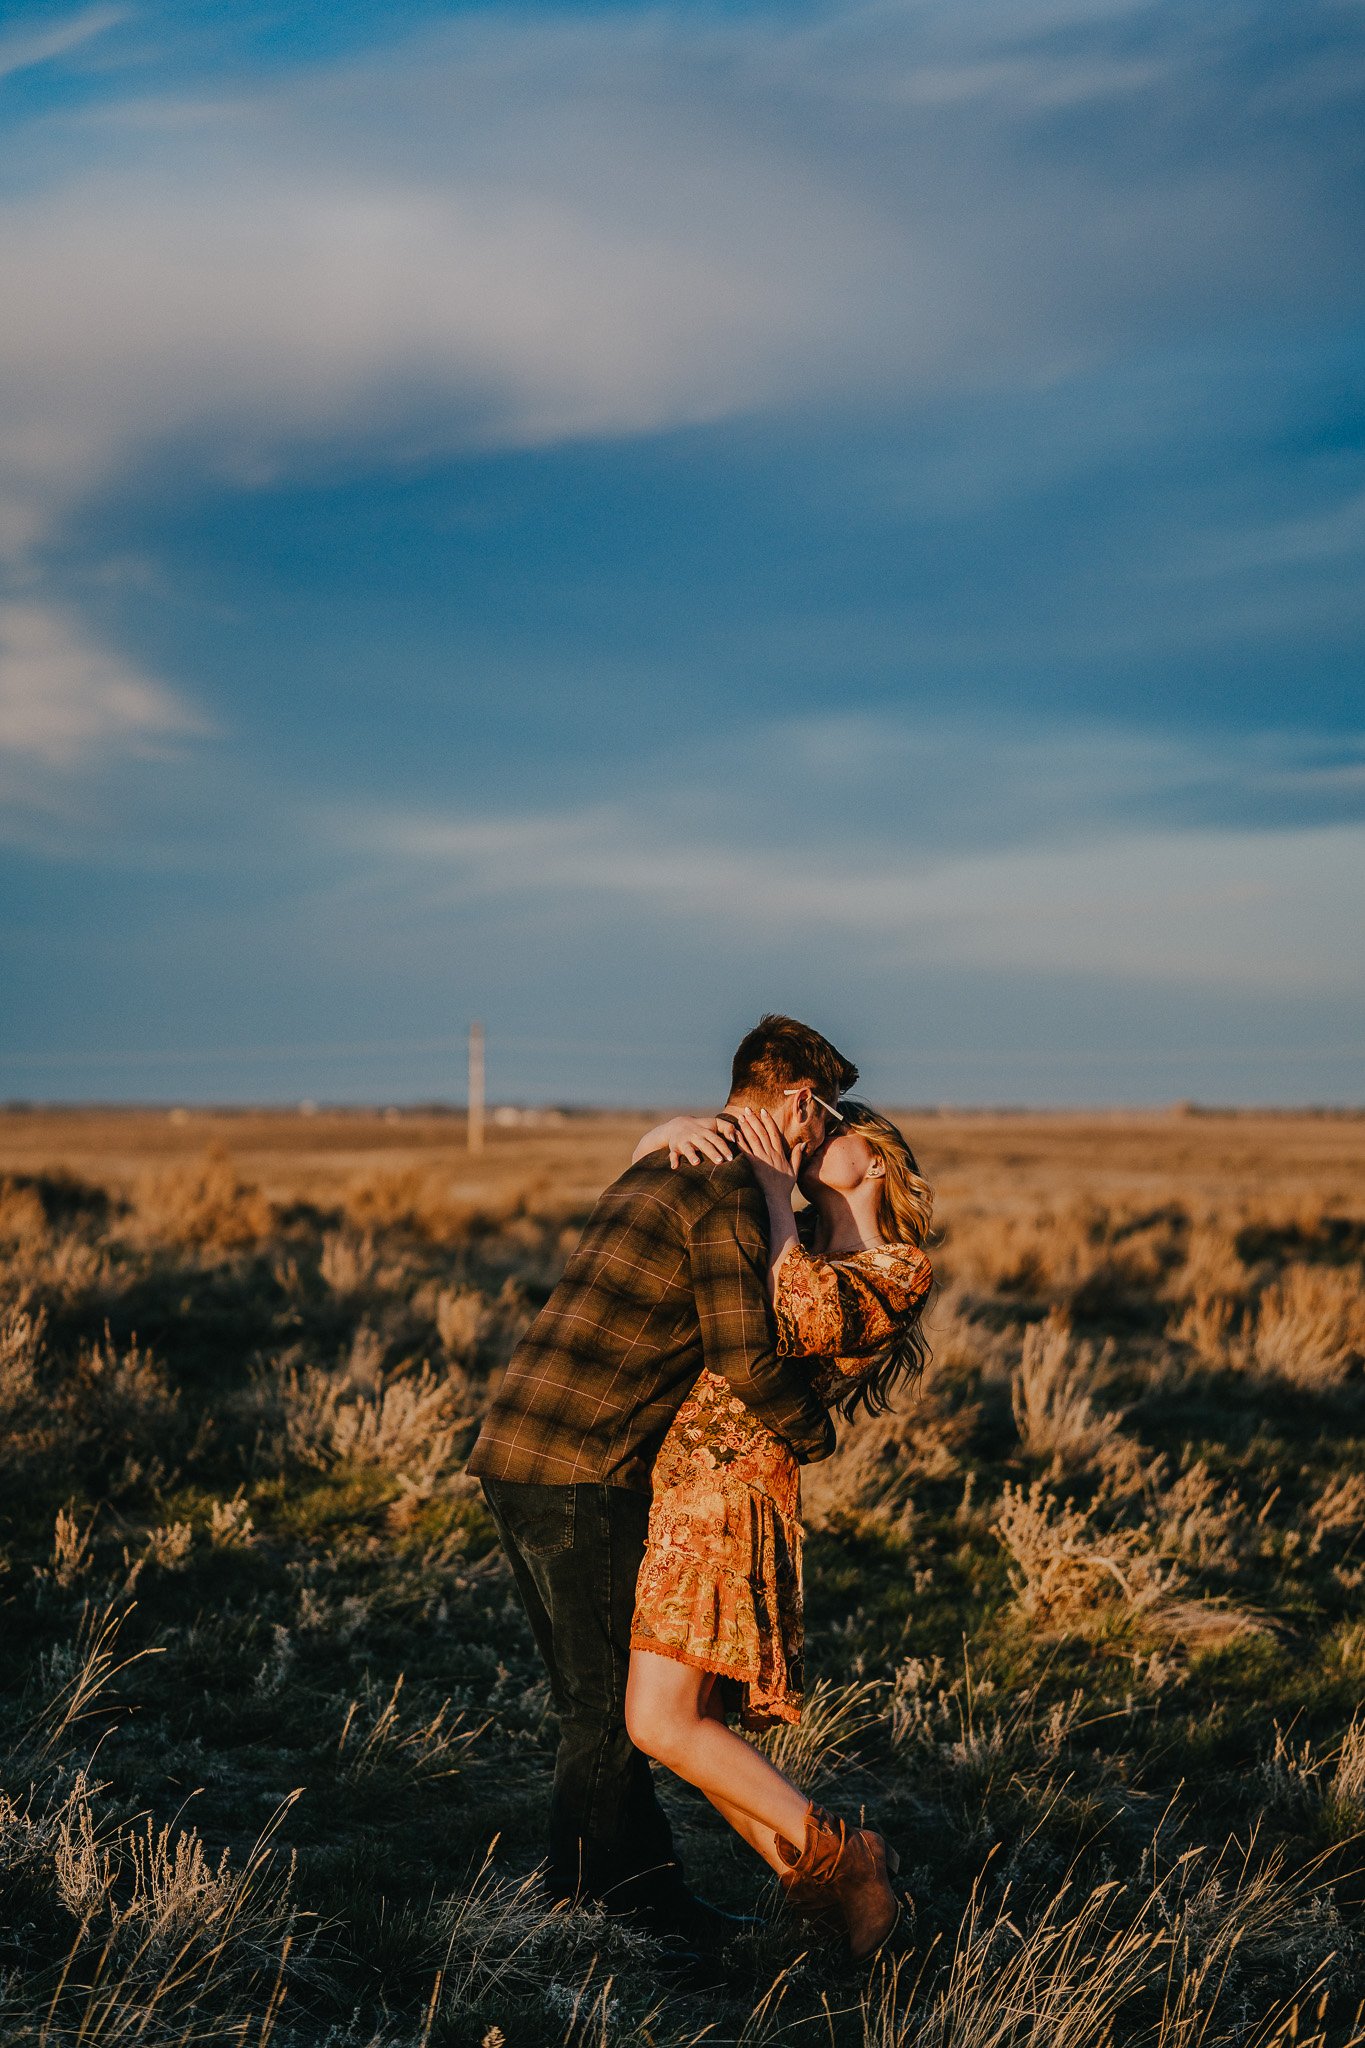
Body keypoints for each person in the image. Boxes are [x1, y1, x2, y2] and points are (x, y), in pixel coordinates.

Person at [465, 1015, 857, 1959]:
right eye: (829, 1113)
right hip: (582, 1466)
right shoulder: (723, 1185)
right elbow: (746, 1357)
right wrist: (815, 1435)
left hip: (523, 1448)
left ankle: (637, 1892)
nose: (826, 1135)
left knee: (597, 1704)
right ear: (798, 1102)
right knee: (607, 1712)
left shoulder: (674, 1159)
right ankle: (584, 1913)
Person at [623, 1097, 934, 1961]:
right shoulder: (780, 1217)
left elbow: (794, 1315)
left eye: (835, 1131)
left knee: (659, 1723)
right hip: (681, 1472)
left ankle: (852, 1860)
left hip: (730, 1487)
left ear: (874, 1161)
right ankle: (820, 1887)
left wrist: (766, 1188)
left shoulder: (899, 1266)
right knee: (691, 1716)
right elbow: (661, 1201)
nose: (810, 1139)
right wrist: (665, 1136)